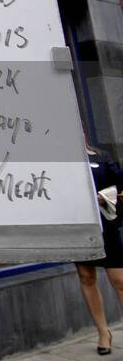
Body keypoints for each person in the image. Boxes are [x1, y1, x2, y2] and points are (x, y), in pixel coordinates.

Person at [75, 142, 123, 356]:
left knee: (119, 280)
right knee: (86, 276)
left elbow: (120, 183)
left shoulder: (101, 155)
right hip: (78, 226)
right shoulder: (61, 160)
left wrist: (102, 197)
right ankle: (103, 333)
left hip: (106, 224)